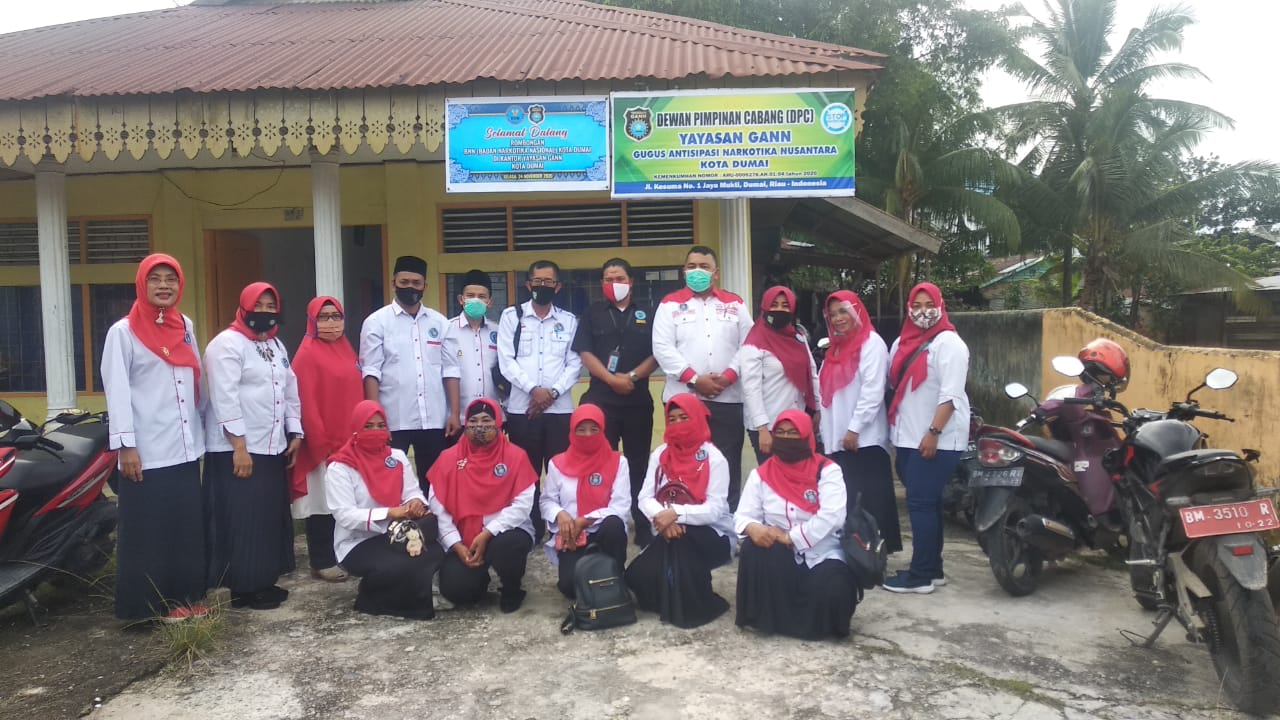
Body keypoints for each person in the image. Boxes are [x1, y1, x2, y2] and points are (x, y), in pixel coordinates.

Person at [101, 253, 208, 622]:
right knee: (150, 533)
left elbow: (196, 378)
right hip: (146, 451)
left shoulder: (185, 326)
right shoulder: (122, 333)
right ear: (141, 284)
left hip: (184, 446)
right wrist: (126, 446)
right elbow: (117, 391)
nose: (164, 285)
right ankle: (146, 608)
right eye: (155, 278)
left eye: (171, 279)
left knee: (184, 528)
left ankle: (186, 596)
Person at [203, 282, 301, 610]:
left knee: (266, 516)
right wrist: (239, 446)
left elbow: (289, 389)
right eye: (257, 305)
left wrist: (295, 432)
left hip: (271, 445)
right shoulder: (226, 344)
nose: (264, 311)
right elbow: (224, 397)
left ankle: (262, 581)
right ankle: (243, 588)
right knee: (243, 519)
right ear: (244, 307)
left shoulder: (275, 345)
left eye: (270, 306)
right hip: (237, 449)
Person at [734, 410, 857, 639]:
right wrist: (754, 528)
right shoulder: (761, 474)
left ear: (807, 435)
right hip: (778, 550)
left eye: (793, 433)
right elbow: (742, 516)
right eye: (780, 433)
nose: (786, 438)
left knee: (834, 586)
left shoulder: (827, 470)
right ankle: (769, 619)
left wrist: (791, 537)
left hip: (821, 550)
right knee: (753, 549)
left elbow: (833, 516)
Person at [883, 282, 970, 594]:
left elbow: (951, 395)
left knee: (920, 504)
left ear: (940, 305)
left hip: (937, 439)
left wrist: (933, 432)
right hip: (907, 437)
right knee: (927, 504)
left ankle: (919, 575)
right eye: (917, 305)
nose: (923, 311)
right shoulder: (901, 343)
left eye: (929, 304)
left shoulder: (950, 344)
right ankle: (933, 569)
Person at [652, 246, 753, 509]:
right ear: (684, 271)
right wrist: (696, 380)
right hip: (683, 399)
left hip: (728, 398)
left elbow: (750, 344)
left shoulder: (735, 303)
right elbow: (662, 348)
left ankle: (727, 520)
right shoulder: (669, 304)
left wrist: (728, 376)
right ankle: (683, 516)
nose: (697, 271)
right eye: (692, 266)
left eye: (704, 267)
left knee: (727, 461)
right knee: (684, 462)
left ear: (715, 273)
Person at [625, 393, 735, 628]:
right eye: (672, 419)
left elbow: (715, 509)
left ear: (697, 418)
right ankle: (673, 598)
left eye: (684, 418)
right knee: (636, 575)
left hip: (712, 535)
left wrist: (675, 513)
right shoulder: (661, 454)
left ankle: (697, 609)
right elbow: (644, 497)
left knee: (682, 538)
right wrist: (664, 518)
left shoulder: (714, 458)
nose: (677, 424)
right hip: (667, 529)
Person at [326, 400, 444, 620]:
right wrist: (390, 512)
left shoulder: (396, 457)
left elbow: (412, 491)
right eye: (368, 426)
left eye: (381, 426)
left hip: (400, 533)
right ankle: (373, 597)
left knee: (434, 552)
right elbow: (344, 515)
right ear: (355, 429)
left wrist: (415, 503)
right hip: (358, 542)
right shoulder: (340, 467)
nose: (375, 431)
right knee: (402, 563)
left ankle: (406, 594)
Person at [570, 258, 657, 546]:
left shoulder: (649, 313)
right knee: (599, 464)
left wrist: (631, 377)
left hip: (637, 401)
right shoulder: (592, 313)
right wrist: (611, 379)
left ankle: (641, 523)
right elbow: (585, 353)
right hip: (601, 402)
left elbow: (658, 353)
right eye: (608, 279)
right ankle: (598, 523)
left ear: (631, 282)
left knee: (638, 463)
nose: (613, 284)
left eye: (619, 278)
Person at [359, 255, 460, 492]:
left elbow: (451, 370)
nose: (410, 287)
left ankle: (432, 518)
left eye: (416, 283)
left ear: (425, 286)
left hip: (434, 419)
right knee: (391, 482)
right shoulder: (376, 322)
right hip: (394, 419)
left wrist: (454, 413)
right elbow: (371, 372)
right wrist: (376, 420)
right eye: (404, 282)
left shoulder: (440, 323)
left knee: (435, 485)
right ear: (394, 283)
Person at [426, 398, 538, 613]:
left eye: (486, 420)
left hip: (502, 532)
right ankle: (480, 580)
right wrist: (456, 545)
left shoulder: (516, 456)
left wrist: (487, 533)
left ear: (498, 423)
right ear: (465, 424)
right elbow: (438, 507)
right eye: (473, 421)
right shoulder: (448, 459)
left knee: (509, 546)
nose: (479, 426)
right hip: (463, 536)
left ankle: (512, 589)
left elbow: (522, 506)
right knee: (458, 591)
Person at [496, 260, 581, 540]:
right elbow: (506, 361)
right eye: (537, 281)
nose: (542, 286)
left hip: (559, 410)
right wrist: (533, 390)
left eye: (548, 282)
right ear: (528, 284)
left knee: (559, 473)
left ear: (557, 287)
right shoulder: (512, 317)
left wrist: (552, 393)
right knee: (526, 473)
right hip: (523, 410)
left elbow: (574, 363)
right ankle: (530, 528)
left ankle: (560, 527)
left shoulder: (569, 321)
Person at [817, 290, 901, 553]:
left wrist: (854, 429)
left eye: (844, 311)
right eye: (832, 314)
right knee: (847, 501)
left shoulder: (871, 343)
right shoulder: (835, 347)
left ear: (857, 310)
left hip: (863, 440)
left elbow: (872, 391)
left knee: (870, 503)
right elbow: (828, 394)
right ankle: (853, 555)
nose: (838, 318)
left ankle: (875, 557)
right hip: (840, 439)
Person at [290, 296, 364, 583]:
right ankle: (321, 561)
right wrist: (323, 443)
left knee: (344, 501)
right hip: (324, 444)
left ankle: (344, 554)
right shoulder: (307, 354)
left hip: (350, 441)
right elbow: (305, 402)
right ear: (312, 321)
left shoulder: (346, 349)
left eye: (336, 316)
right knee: (322, 503)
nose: (331, 323)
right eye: (324, 317)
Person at [540, 404, 631, 598]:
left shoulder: (618, 462)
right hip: (572, 536)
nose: (588, 435)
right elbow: (547, 501)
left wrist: (586, 520)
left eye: (594, 429)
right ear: (572, 431)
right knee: (570, 588)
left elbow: (620, 506)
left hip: (603, 531)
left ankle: (615, 574)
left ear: (603, 430)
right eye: (581, 430)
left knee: (614, 524)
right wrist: (560, 514)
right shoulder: (557, 463)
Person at [737, 285, 820, 464]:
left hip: (798, 421)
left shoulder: (798, 337)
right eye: (774, 305)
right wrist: (762, 429)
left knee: (800, 472)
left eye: (785, 305)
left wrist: (817, 409)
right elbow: (751, 389)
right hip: (769, 425)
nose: (779, 309)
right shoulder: (754, 342)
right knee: (773, 475)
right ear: (765, 306)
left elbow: (812, 372)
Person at [442, 269, 501, 427]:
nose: (476, 300)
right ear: (461, 299)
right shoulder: (447, 330)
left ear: (490, 302)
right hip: (458, 419)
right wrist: (454, 415)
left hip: (492, 418)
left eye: (481, 296)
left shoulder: (498, 332)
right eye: (470, 295)